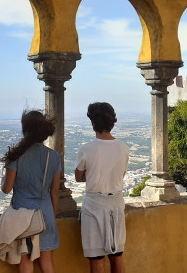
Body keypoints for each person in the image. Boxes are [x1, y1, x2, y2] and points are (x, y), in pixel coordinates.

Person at [1, 110, 61, 273]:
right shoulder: (53, 156)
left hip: (23, 216)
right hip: (46, 214)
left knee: (25, 262)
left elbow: (6, 189)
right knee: (47, 264)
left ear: (25, 130)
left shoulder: (16, 156)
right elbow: (55, 191)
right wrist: (52, 215)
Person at [75, 102, 129, 273]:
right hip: (116, 204)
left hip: (94, 205)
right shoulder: (123, 148)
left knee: (97, 259)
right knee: (117, 256)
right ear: (113, 121)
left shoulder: (87, 149)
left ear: (93, 123)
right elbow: (121, 174)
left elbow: (79, 177)